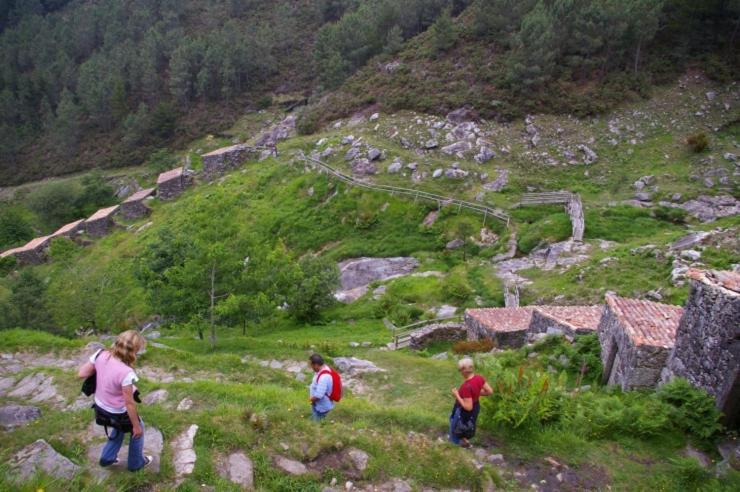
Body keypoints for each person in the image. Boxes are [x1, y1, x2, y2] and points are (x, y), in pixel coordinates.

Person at [78, 330, 152, 471]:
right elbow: (129, 403)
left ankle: (107, 458)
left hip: (100, 406)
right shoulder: (126, 372)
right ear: (135, 350)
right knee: (138, 429)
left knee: (119, 427)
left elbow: (82, 373)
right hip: (118, 411)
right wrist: (136, 426)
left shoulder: (100, 354)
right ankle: (136, 464)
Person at [449, 357, 492, 447]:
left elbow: (468, 407)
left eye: (459, 370)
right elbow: (489, 391)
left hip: (463, 410)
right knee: (465, 425)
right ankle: (465, 442)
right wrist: (475, 393)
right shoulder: (479, 378)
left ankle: (453, 446)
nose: (460, 372)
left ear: (464, 370)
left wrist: (456, 394)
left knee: (455, 425)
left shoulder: (466, 386)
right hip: (476, 406)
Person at [308, 353, 334, 421]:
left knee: (315, 427)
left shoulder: (324, 377)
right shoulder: (324, 369)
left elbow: (319, 395)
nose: (311, 367)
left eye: (311, 365)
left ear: (316, 365)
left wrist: (311, 401)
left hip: (321, 407)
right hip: (319, 405)